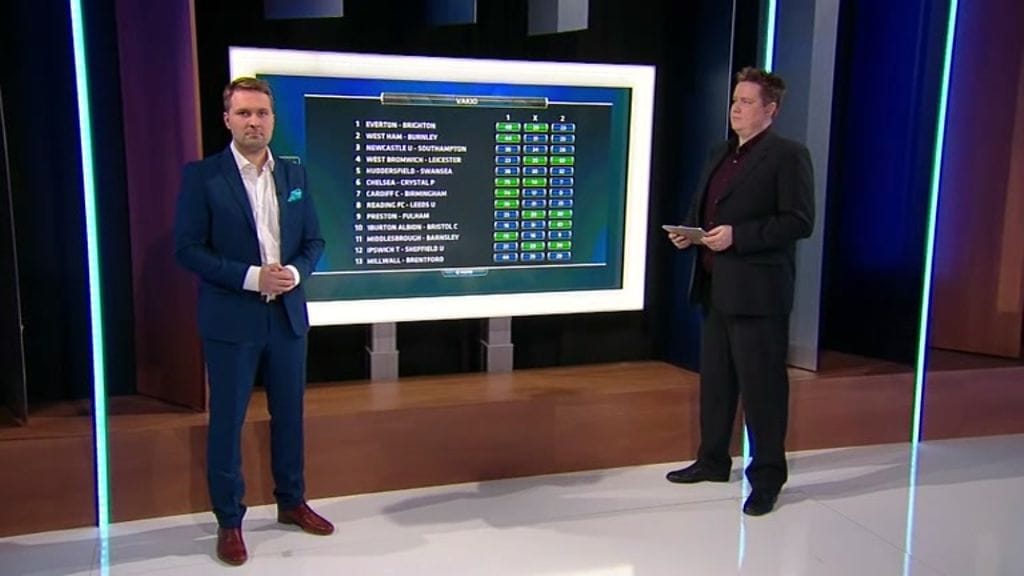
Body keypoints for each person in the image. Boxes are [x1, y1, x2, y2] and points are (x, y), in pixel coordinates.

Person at [174, 77, 330, 565]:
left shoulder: (294, 174)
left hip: (287, 318)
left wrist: (294, 274)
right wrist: (251, 277)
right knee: (228, 422)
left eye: (262, 113)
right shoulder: (203, 177)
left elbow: (315, 242)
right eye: (244, 113)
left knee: (290, 415)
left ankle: (292, 501)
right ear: (227, 120)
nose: (254, 122)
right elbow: (188, 250)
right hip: (231, 320)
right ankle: (229, 521)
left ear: (272, 121)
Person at [665, 67, 814, 516]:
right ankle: (712, 460)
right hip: (715, 287)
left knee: (762, 390)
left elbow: (799, 221)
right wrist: (689, 232)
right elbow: (705, 208)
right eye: (735, 100)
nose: (736, 108)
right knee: (716, 383)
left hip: (759, 294)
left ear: (771, 110)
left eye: (747, 102)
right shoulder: (720, 152)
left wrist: (739, 236)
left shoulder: (788, 156)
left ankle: (767, 478)